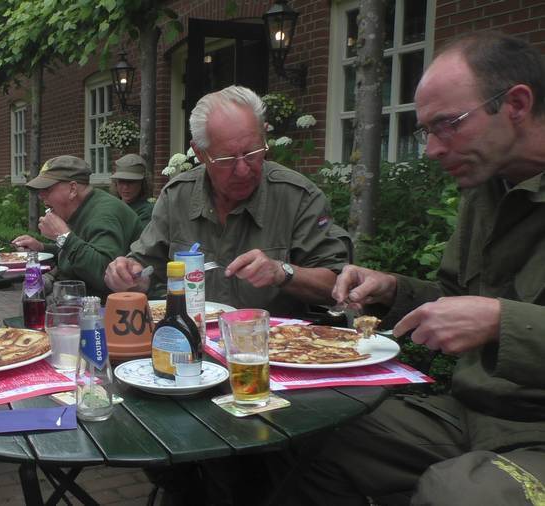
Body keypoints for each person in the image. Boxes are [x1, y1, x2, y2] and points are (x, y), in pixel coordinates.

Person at [288, 32, 545, 505]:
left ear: (516, 104)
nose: (431, 150)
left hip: (534, 434)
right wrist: (391, 289)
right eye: (427, 131)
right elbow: (455, 299)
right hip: (473, 416)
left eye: (448, 125)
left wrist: (501, 323)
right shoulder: (488, 190)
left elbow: (488, 317)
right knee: (309, 425)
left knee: (458, 493)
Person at [104, 85, 350, 318]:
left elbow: (337, 285)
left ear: (264, 136)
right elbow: (143, 267)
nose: (243, 170)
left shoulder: (297, 197)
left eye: (252, 153)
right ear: (199, 153)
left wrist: (282, 272)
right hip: (191, 340)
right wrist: (127, 274)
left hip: (276, 343)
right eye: (226, 159)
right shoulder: (178, 196)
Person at [12, 155, 144, 300]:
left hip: (102, 304)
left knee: (34, 294)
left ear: (73, 189)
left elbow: (105, 274)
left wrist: (63, 236)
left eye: (47, 189)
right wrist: (41, 248)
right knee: (31, 288)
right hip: (78, 294)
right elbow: (79, 251)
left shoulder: (104, 215)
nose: (41, 196)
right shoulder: (83, 207)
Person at [111, 153, 154, 227]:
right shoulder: (112, 206)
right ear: (116, 183)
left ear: (142, 184)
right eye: (121, 181)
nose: (125, 187)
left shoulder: (148, 211)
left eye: (131, 182)